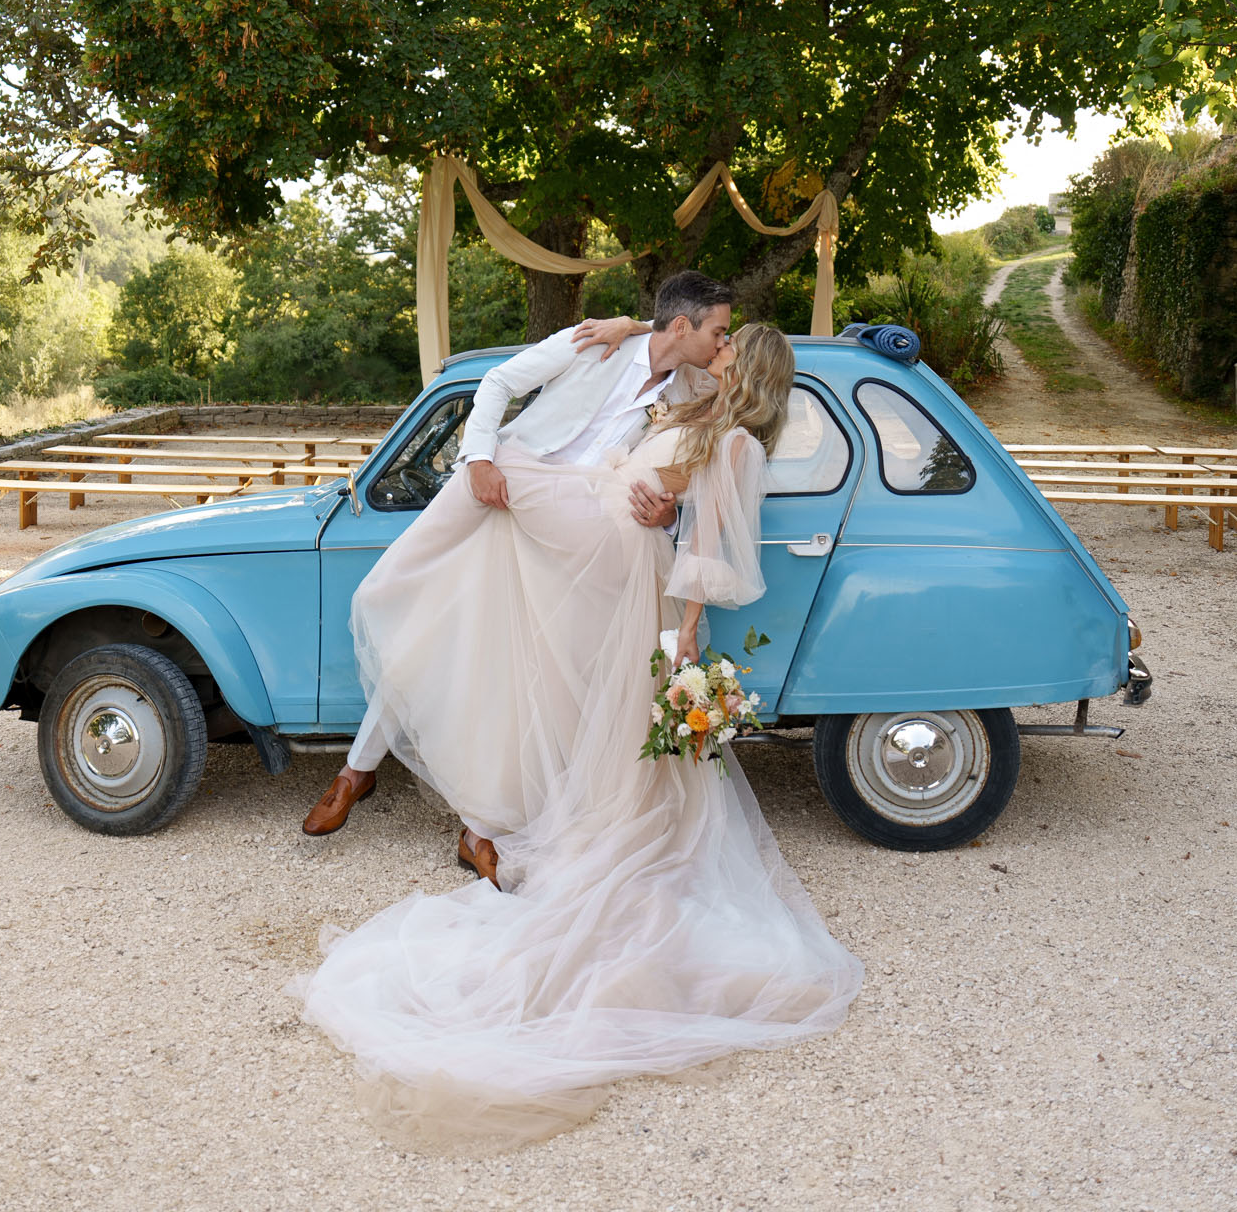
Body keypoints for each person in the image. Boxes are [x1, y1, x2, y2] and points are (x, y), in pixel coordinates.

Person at [290, 319, 863, 1147]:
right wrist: (633, 332)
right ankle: (443, 778)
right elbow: (659, 394)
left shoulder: (734, 441)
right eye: (718, 337)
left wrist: (683, 638)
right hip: (603, 562)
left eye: (732, 346)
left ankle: (399, 758)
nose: (720, 349)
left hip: (632, 586)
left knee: (618, 738)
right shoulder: (692, 405)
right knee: (579, 712)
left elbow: (708, 544)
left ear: (750, 368)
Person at [300, 270, 733, 867]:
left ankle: (469, 820)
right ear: (681, 325)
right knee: (396, 601)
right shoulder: (595, 340)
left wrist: (666, 517)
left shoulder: (688, 393)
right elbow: (499, 382)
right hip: (500, 486)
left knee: (509, 669)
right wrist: (477, 458)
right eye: (717, 331)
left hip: (564, 534)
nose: (722, 343)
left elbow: (682, 480)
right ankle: (360, 770)